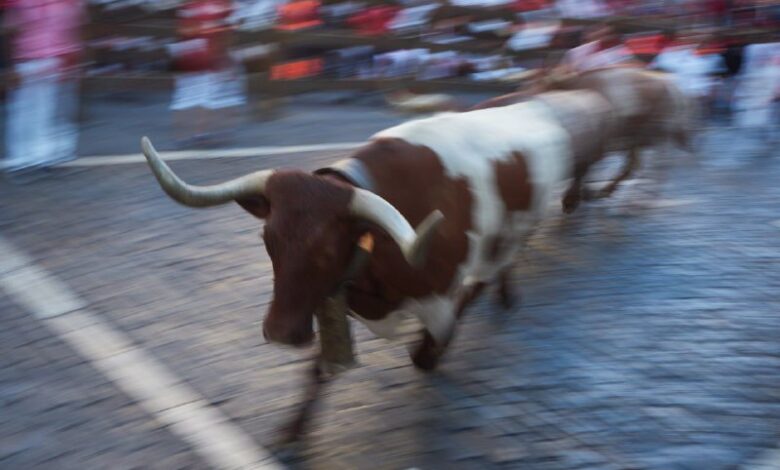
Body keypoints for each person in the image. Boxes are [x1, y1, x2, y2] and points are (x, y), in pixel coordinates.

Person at [3, 0, 85, 176]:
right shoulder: (62, 4)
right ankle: (37, 156)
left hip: (35, 57)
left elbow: (12, 26)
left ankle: (27, 157)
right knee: (40, 110)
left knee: (28, 110)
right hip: (48, 58)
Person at [169, 0, 242, 147]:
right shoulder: (191, 6)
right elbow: (184, 29)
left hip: (210, 55)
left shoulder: (219, 4)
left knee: (207, 95)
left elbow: (232, 23)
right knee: (191, 96)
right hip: (195, 54)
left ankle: (202, 132)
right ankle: (188, 133)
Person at [558, 24, 636, 73]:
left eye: (608, 33)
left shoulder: (621, 50)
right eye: (595, 30)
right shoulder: (575, 52)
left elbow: (632, 67)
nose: (602, 33)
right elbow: (564, 71)